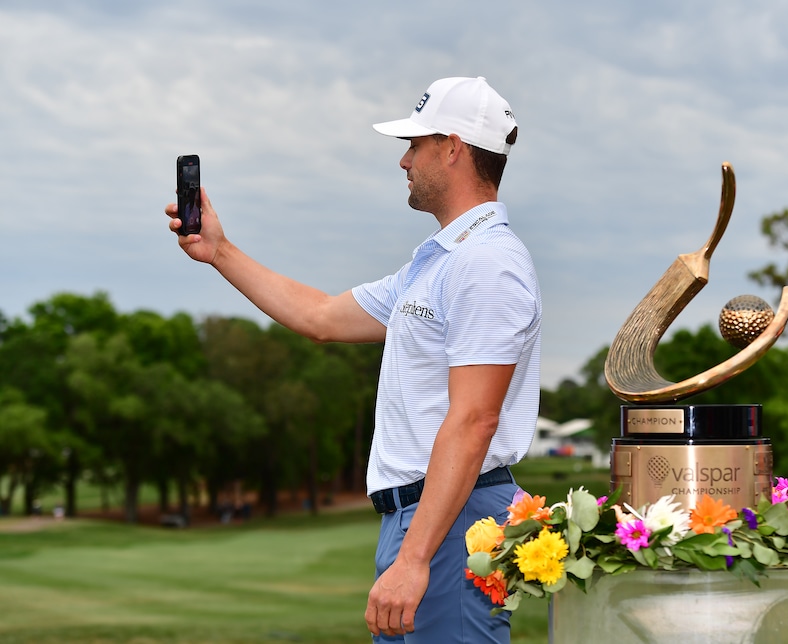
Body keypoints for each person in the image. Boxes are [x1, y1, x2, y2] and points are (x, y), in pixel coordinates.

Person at [165, 76, 541, 643]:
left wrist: (415, 559)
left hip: (452, 521)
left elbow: (474, 419)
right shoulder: (438, 263)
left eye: (414, 144)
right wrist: (219, 251)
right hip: (425, 518)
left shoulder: (488, 263)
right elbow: (319, 316)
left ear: (453, 147)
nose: (403, 160)